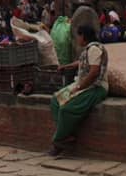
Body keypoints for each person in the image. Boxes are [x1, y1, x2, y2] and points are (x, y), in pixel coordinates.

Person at [48, 24, 109, 156]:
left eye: (78, 36)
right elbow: (80, 63)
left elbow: (94, 72)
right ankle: (65, 134)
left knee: (67, 109)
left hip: (95, 87)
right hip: (83, 83)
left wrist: (79, 88)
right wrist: (66, 66)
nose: (77, 39)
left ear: (83, 36)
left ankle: (59, 140)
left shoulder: (94, 49)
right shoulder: (88, 50)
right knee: (55, 101)